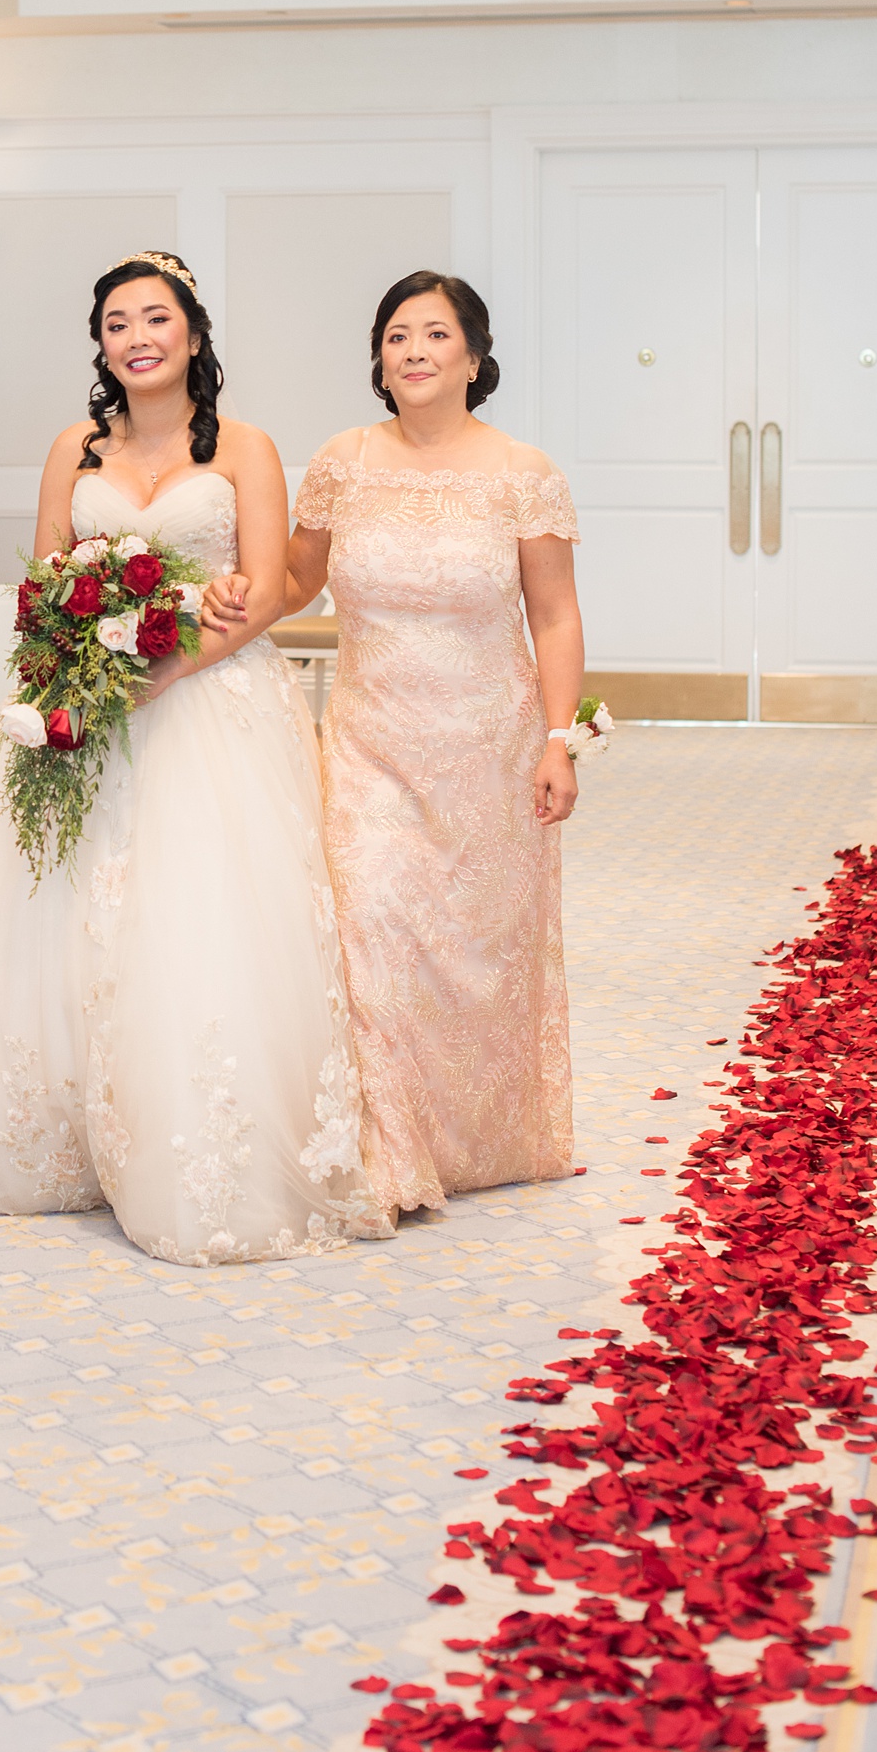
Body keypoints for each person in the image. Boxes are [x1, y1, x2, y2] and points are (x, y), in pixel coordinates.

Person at [0, 251, 390, 1266]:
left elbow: (263, 589)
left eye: (155, 317)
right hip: (81, 699)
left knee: (191, 917)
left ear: (191, 332)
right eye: (116, 322)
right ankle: (53, 1126)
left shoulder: (249, 447)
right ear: (99, 344)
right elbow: (43, 575)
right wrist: (71, 665)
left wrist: (165, 666)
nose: (136, 336)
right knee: (50, 908)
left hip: (205, 702)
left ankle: (184, 1132)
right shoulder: (72, 447)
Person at [206, 270, 582, 1212]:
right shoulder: (343, 459)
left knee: (471, 952)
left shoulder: (522, 472)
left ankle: (473, 1138)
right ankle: (389, 1152)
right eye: (396, 336)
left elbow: (556, 616)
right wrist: (214, 594)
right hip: (371, 743)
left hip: (487, 748)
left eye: (434, 335)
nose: (413, 351)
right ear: (379, 359)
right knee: (370, 926)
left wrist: (558, 738)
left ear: (475, 357)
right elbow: (293, 585)